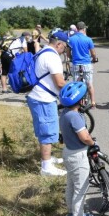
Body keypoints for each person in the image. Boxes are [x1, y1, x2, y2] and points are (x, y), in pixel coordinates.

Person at [27, 31, 68, 176]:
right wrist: (73, 87)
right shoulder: (52, 56)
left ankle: (48, 160)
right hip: (43, 98)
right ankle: (46, 168)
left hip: (37, 96)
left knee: (45, 130)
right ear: (58, 44)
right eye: (64, 46)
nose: (64, 50)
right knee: (47, 132)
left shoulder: (43, 51)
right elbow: (60, 82)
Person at [58, 81, 97, 216]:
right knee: (80, 191)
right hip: (78, 156)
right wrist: (93, 142)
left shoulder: (65, 114)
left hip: (68, 152)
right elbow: (84, 137)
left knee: (71, 186)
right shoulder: (75, 116)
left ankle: (71, 215)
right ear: (80, 100)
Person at [67, 22, 98, 107]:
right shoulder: (88, 39)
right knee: (89, 83)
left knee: (76, 84)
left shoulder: (71, 39)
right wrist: (94, 59)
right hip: (86, 64)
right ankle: (93, 102)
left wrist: (71, 58)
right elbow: (93, 53)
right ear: (84, 29)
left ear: (76, 29)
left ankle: (76, 102)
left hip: (76, 64)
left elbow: (68, 53)